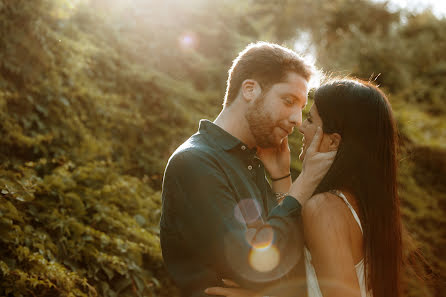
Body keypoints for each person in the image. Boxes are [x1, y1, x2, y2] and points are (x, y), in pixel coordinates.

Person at [160, 41, 337, 297]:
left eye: (302, 108)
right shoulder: (195, 162)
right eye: (289, 101)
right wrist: (304, 183)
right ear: (250, 89)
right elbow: (253, 266)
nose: (297, 120)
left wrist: (281, 178)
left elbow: (289, 269)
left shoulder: (251, 162)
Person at [205, 79, 403, 297]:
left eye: (310, 119)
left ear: (333, 142)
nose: (300, 126)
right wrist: (281, 176)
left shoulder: (324, 209)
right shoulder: (358, 204)